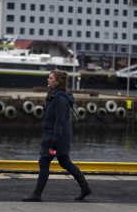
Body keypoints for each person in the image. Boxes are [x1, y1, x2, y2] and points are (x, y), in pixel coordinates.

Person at [22, 70, 92, 202]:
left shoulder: (60, 99)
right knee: (65, 162)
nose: (48, 80)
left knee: (44, 161)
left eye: (50, 78)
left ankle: (37, 194)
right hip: (57, 137)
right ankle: (85, 188)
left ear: (57, 82)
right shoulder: (55, 95)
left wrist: (52, 142)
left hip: (55, 139)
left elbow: (59, 122)